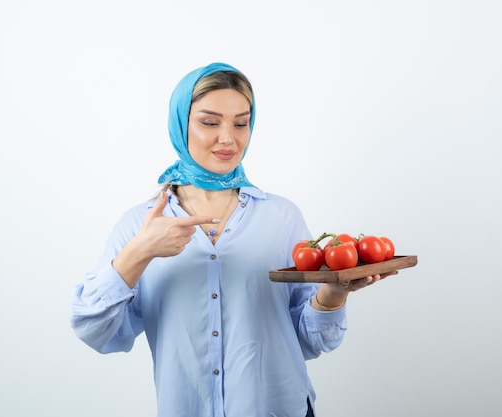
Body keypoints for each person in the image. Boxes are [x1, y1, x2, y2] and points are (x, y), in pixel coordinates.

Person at [70, 62, 390, 417]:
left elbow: (310, 341)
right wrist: (139, 253)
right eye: (210, 122)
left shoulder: (281, 216)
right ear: (181, 125)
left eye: (241, 123)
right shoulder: (139, 225)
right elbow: (95, 331)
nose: (229, 138)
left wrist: (335, 291)